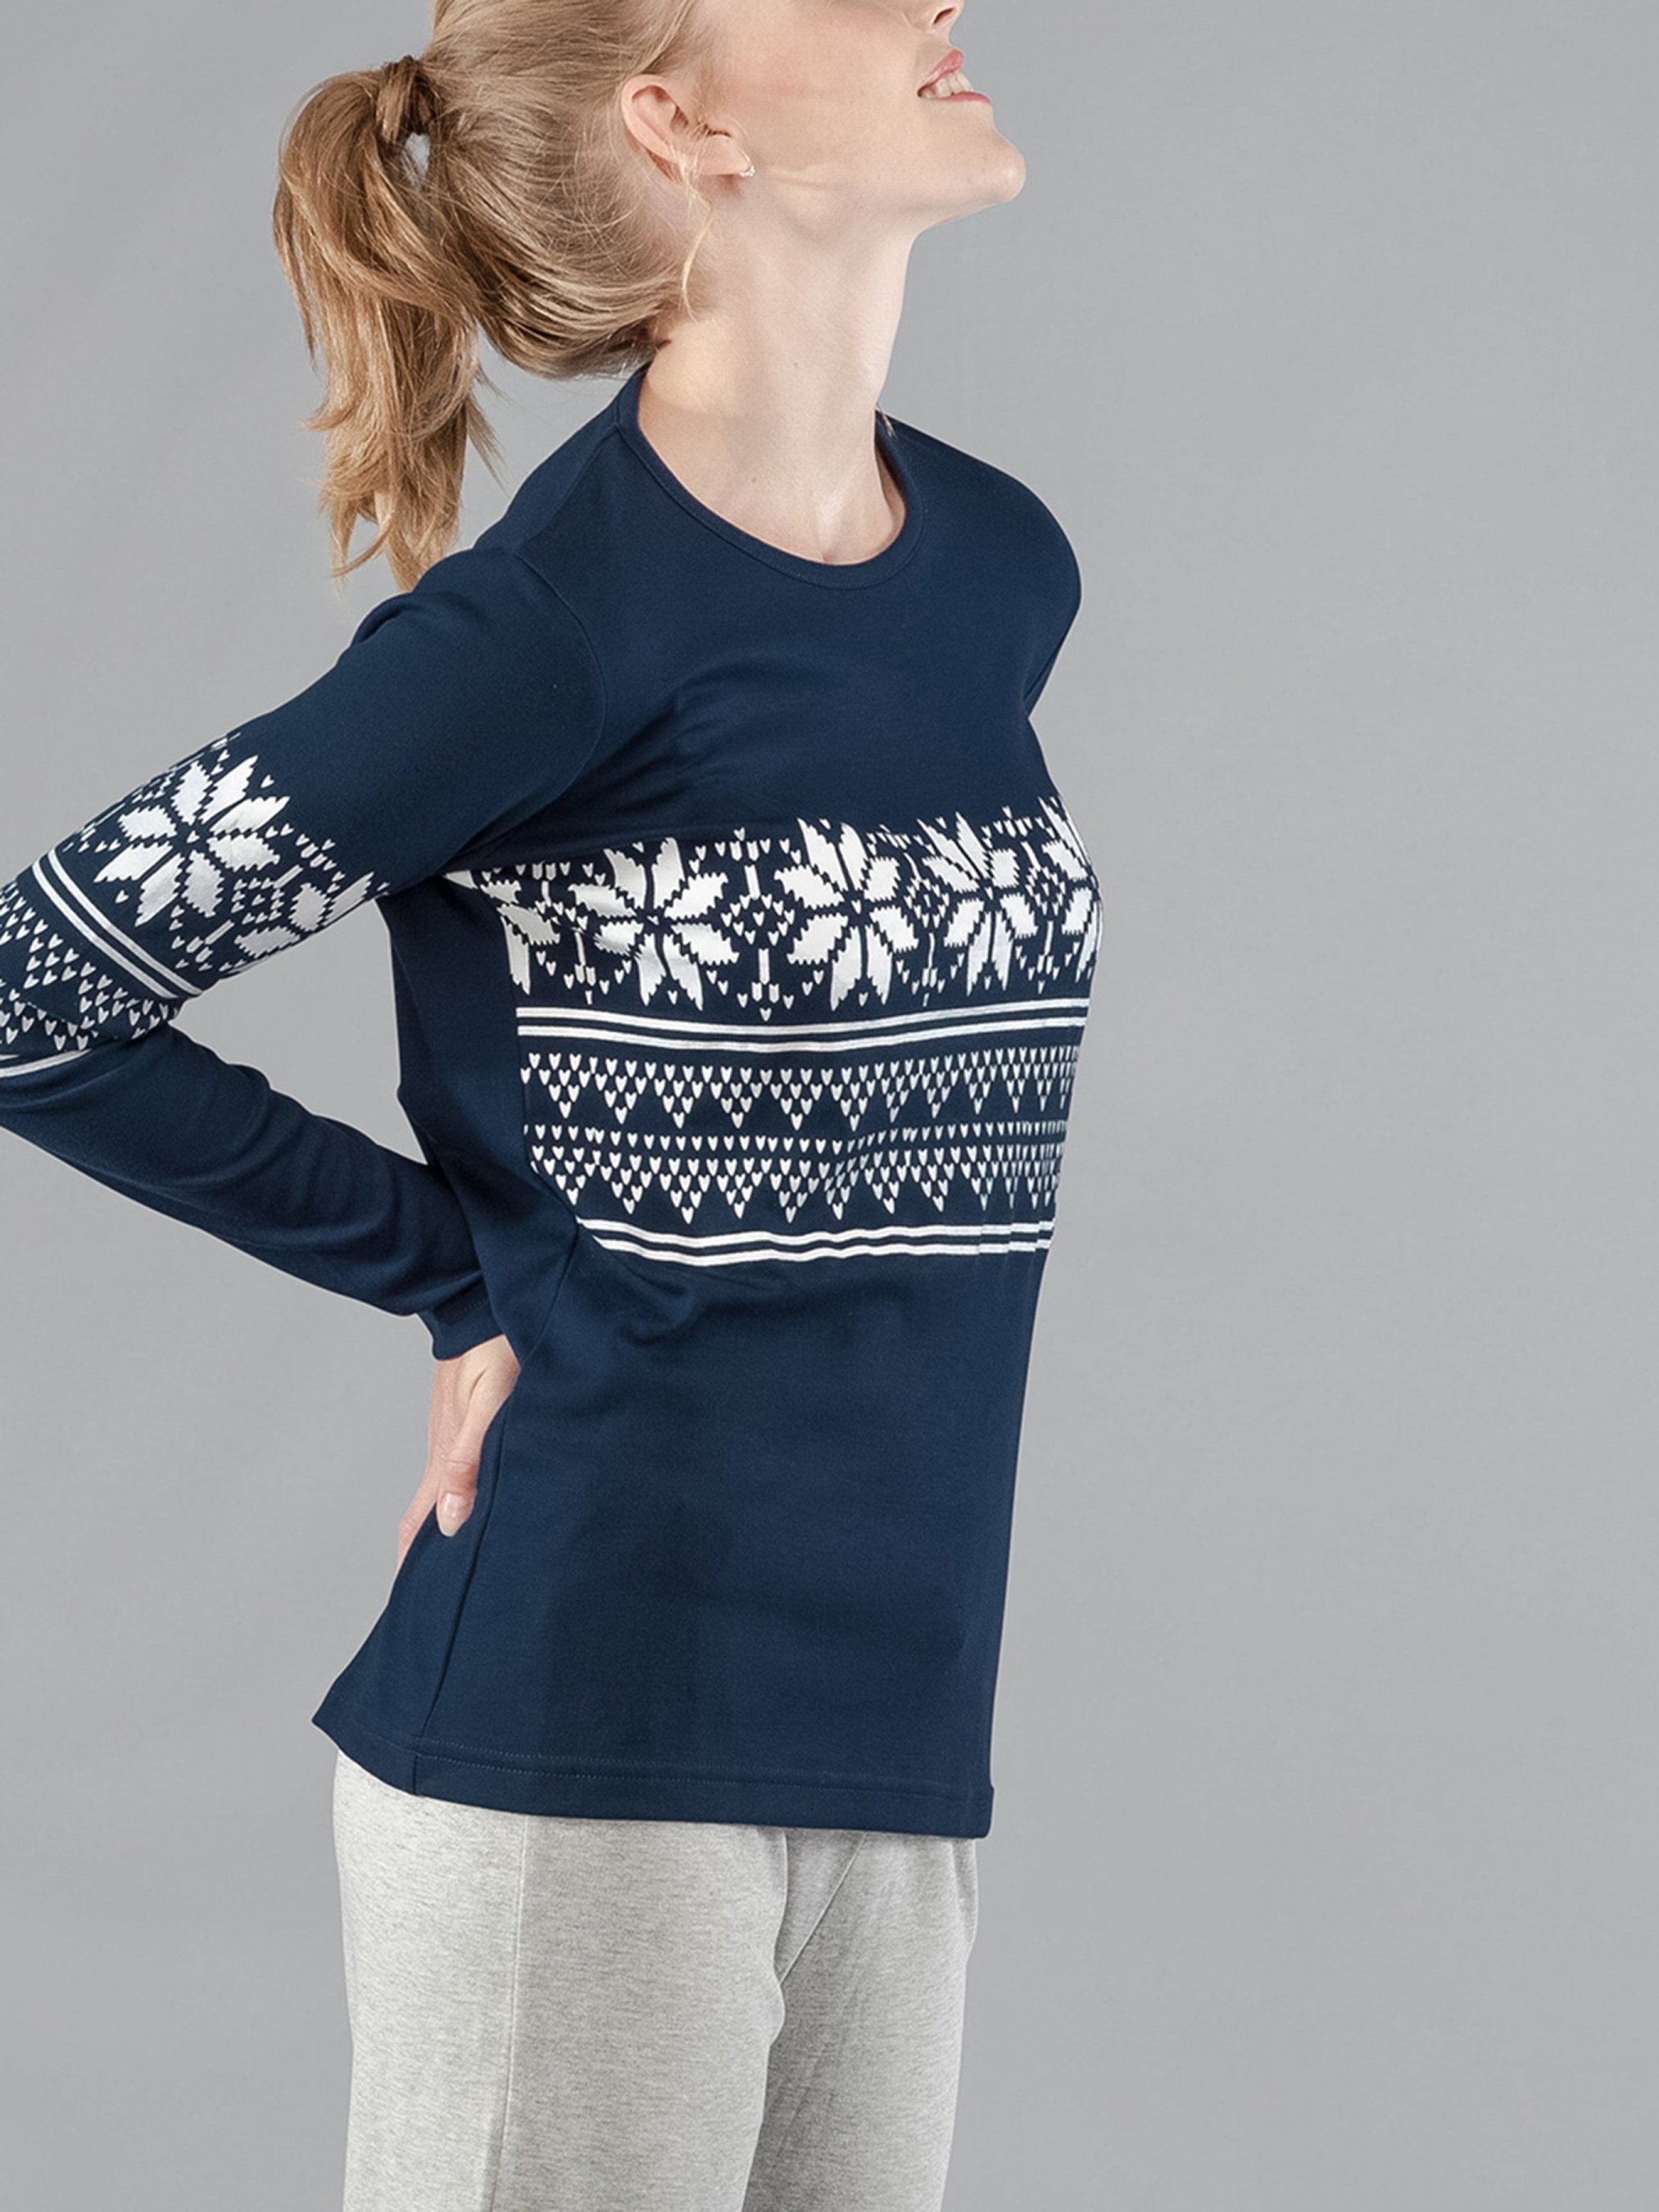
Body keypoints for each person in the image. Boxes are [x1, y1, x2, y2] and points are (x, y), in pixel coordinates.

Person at [0, 2, 1101, 2205]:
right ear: (676, 120)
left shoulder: (996, 569)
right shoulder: (546, 633)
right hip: (578, 1747)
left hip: (895, 1741)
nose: (934, 5)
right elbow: (41, 991)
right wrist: (462, 1277)